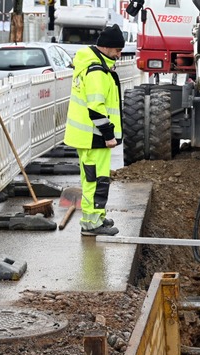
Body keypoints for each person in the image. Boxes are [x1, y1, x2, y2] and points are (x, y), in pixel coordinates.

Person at [64, 24, 124, 236]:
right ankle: (91, 224)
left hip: (90, 136)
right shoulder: (97, 71)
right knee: (95, 181)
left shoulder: (93, 65)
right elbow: (96, 107)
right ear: (107, 48)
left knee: (96, 179)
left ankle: (97, 216)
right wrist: (108, 135)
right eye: (117, 50)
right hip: (94, 137)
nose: (119, 55)